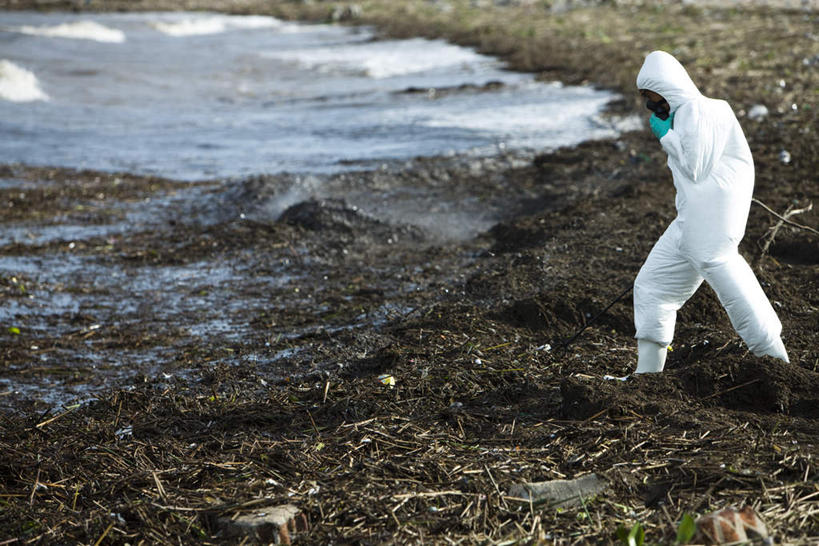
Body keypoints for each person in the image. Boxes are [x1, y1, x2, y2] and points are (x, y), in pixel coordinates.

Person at [632, 50, 789, 374]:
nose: (652, 106)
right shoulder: (686, 114)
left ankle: (779, 365)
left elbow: (695, 167)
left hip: (712, 229)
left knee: (737, 294)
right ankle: (646, 377)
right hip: (690, 223)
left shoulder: (703, 110)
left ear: (668, 88)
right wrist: (673, 131)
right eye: (647, 100)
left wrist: (667, 136)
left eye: (653, 97)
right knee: (652, 287)